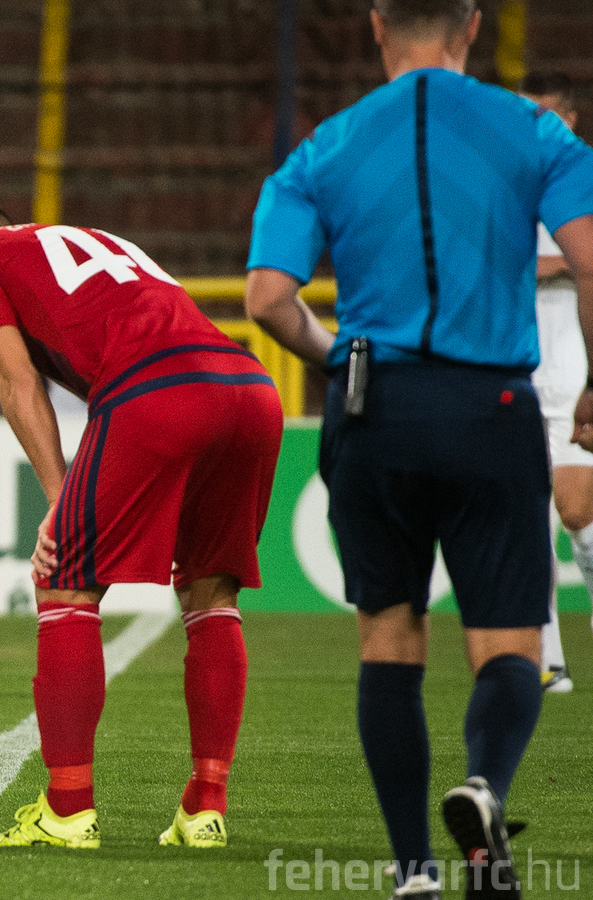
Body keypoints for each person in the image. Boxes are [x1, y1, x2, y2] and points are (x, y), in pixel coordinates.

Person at [244, 3, 593, 898]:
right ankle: (484, 790)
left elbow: (267, 299)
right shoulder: (536, 132)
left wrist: (340, 359)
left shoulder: (324, 148)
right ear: (472, 25)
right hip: (493, 405)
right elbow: (591, 257)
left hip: (376, 410)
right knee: (511, 644)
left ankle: (412, 873)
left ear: (374, 25)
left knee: (389, 640)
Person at [0, 198, 284, 850]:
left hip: (158, 390)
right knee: (211, 593)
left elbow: (17, 381)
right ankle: (205, 807)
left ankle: (67, 811)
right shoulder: (89, 237)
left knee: (64, 581)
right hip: (251, 389)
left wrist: (58, 496)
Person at [521, 70, 587, 695]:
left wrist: (551, 266)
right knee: (526, 520)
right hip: (515, 368)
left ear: (569, 120)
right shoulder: (505, 181)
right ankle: (548, 661)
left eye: (544, 115)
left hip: (575, 365)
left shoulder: (583, 178)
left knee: (578, 511)